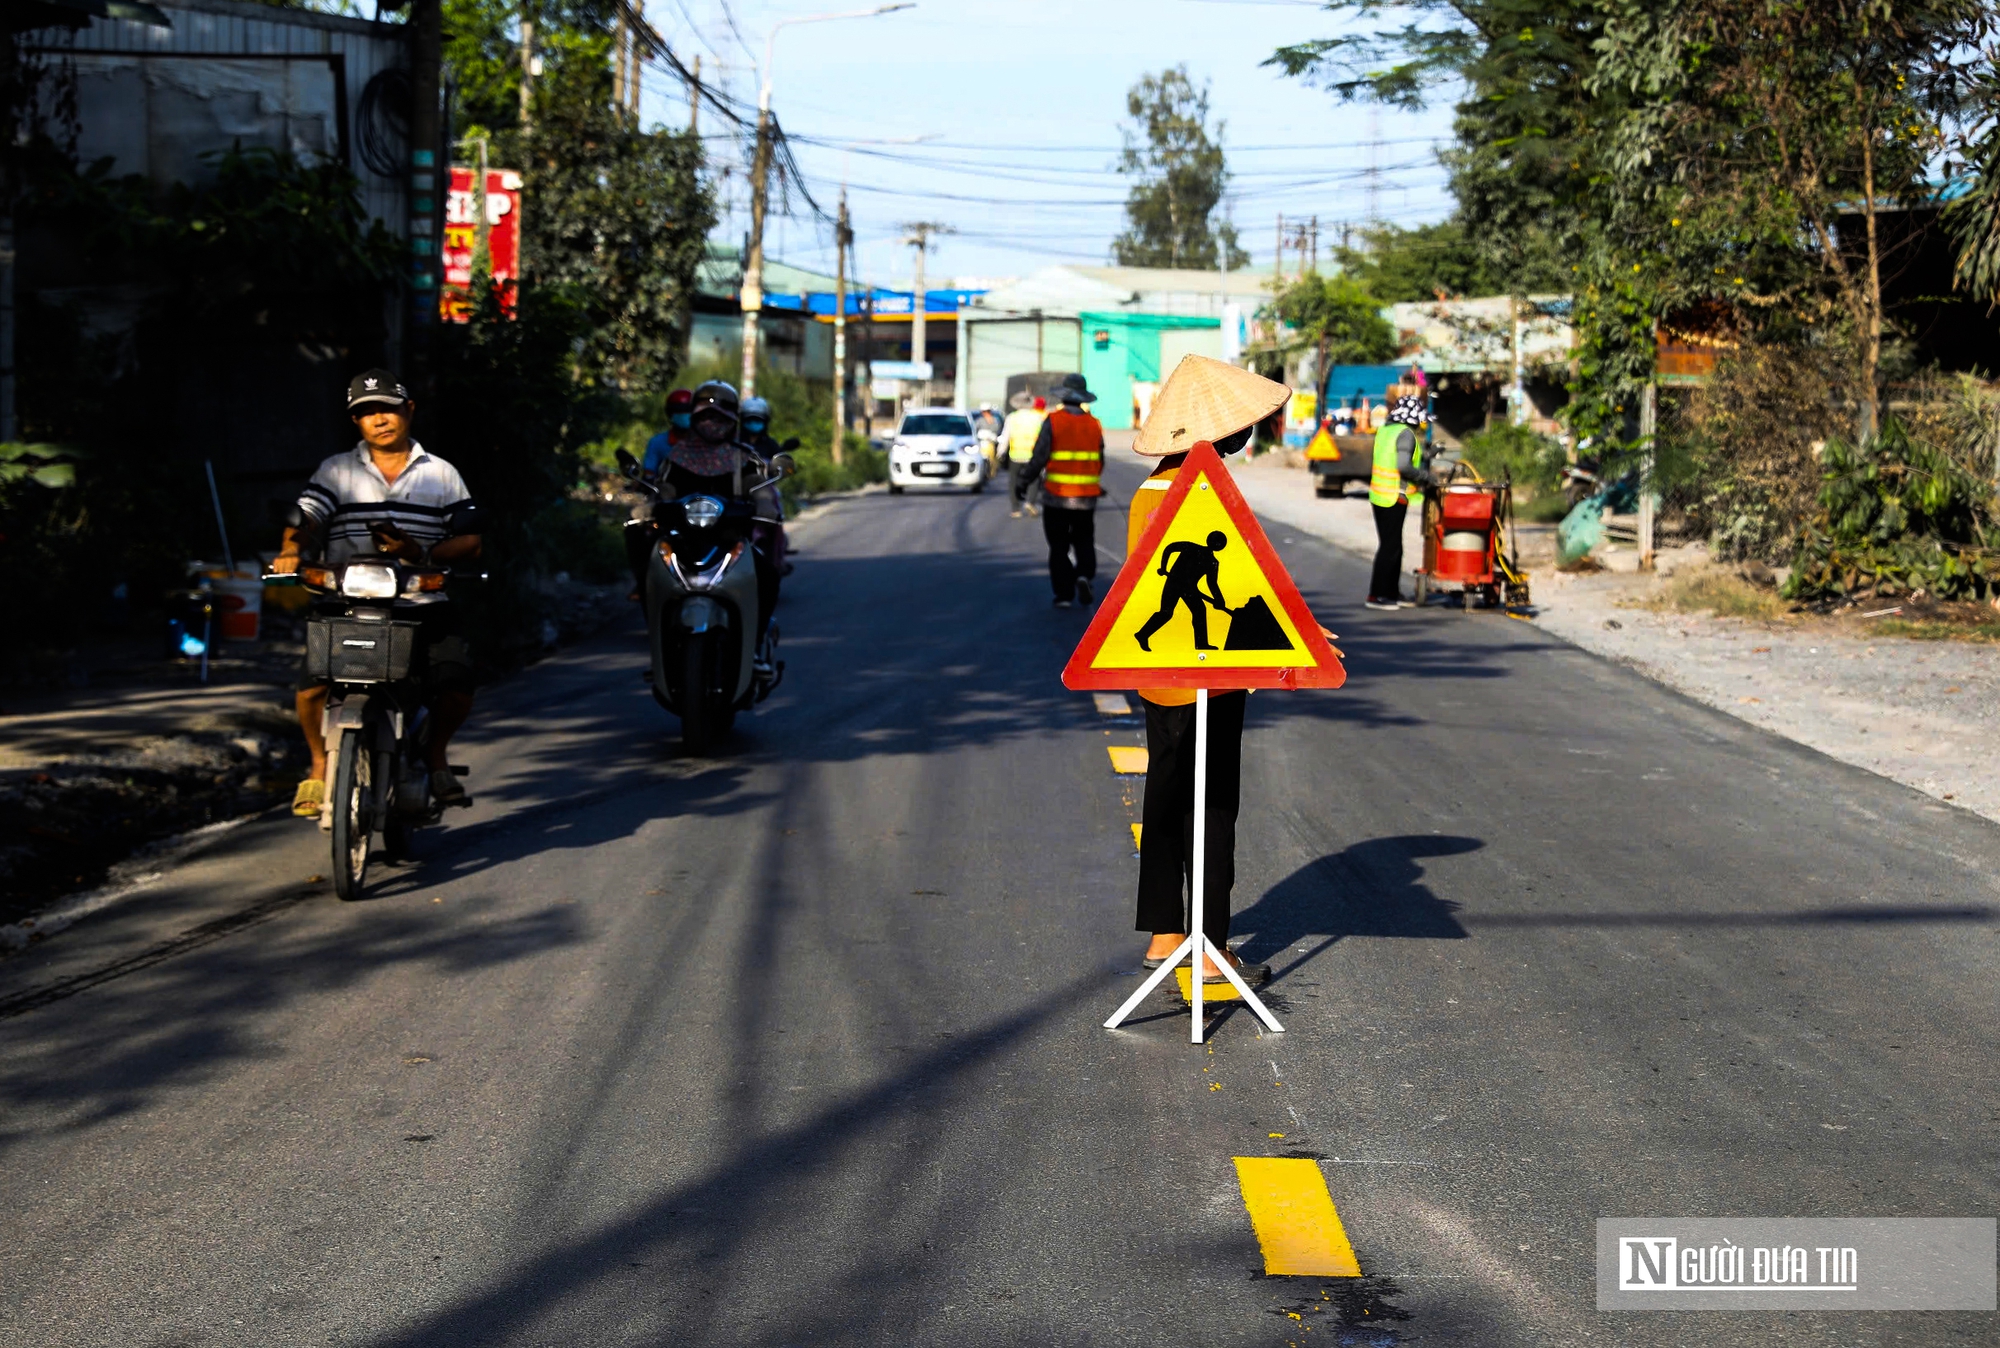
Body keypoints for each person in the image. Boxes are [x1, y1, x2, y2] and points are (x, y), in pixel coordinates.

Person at [1127, 355, 1327, 983]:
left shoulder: (1147, 492)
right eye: (1240, 428)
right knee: (1212, 805)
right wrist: (1297, 633)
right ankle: (1211, 946)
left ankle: (1165, 932)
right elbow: (1242, 588)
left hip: (1158, 672)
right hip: (1214, 674)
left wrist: (1298, 628)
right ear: (1216, 434)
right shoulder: (1208, 495)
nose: (1248, 437)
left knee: (1165, 795)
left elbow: (1149, 588)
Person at [273, 369, 483, 821]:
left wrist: (420, 550)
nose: (379, 419)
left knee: (456, 684)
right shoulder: (336, 470)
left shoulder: (441, 474)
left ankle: (436, 755)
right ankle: (317, 763)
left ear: (408, 410)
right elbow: (308, 518)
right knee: (311, 687)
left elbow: (470, 541)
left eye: (387, 408)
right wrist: (292, 549)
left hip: (419, 605)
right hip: (344, 603)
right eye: (367, 412)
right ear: (356, 423)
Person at [656, 380, 781, 667]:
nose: (713, 423)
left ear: (732, 420)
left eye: (721, 417)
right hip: (682, 544)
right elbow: (663, 490)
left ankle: (754, 647)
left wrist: (764, 503)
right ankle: (661, 650)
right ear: (694, 418)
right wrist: (650, 504)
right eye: (705, 416)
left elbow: (759, 487)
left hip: (731, 543)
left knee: (769, 578)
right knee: (652, 573)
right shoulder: (676, 457)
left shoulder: (743, 459)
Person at [1023, 375, 1104, 607]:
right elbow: (1100, 459)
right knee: (1084, 540)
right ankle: (1083, 576)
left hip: (1056, 496)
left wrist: (1023, 482)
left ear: (1064, 395)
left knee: (1059, 546)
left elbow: (1039, 456)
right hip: (1086, 498)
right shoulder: (1094, 423)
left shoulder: (1053, 421)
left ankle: (1064, 595)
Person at [1366, 392, 1435, 611]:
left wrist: (1426, 456)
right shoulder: (1406, 434)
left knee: (1393, 545)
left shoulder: (1386, 430)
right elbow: (1403, 466)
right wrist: (1426, 477)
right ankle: (1378, 596)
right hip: (1393, 496)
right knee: (1390, 546)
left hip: (1379, 494)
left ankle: (1391, 592)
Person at [999, 391, 1048, 517]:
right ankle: (1030, 502)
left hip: (1015, 455)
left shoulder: (1012, 417)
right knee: (1034, 479)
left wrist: (1000, 452)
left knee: (1013, 481)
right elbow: (1043, 438)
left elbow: (1005, 436)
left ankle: (1016, 509)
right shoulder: (1038, 418)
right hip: (1032, 456)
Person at [641, 388, 694, 477]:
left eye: (688, 411)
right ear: (671, 415)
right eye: (680, 411)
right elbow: (649, 473)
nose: (684, 415)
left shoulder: (706, 442)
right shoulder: (657, 443)